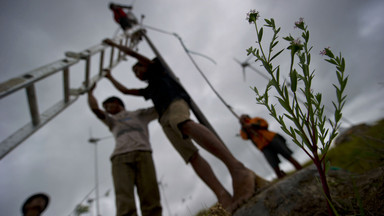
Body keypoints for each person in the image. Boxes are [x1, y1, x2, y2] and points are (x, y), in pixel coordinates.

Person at [101, 38, 269, 213]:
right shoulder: (149, 89)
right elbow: (125, 91)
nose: (137, 74)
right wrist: (110, 77)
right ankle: (222, 195)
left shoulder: (158, 70)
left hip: (175, 103)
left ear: (145, 66)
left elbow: (135, 54)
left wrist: (115, 46)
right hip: (163, 118)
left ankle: (238, 170)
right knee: (190, 155)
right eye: (134, 73)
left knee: (183, 123)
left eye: (138, 69)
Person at [87, 84, 162, 216]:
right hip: (120, 158)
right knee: (124, 200)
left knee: (150, 196)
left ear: (116, 102)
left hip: (142, 153)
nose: (107, 110)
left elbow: (160, 106)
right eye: (105, 108)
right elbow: (95, 109)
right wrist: (90, 93)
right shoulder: (112, 121)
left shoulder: (138, 114)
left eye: (107, 106)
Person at [239, 115, 303, 179]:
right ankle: (280, 176)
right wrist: (244, 127)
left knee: (286, 154)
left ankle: (299, 168)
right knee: (273, 162)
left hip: (271, 138)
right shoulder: (243, 129)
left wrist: (252, 125)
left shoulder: (255, 119)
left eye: (244, 117)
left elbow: (265, 124)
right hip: (262, 145)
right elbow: (245, 137)